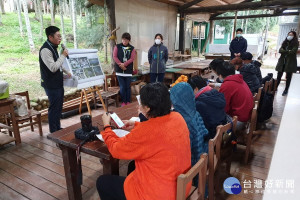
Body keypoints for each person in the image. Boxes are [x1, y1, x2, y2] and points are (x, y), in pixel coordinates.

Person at [97, 82, 191, 200]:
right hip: (181, 185)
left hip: (161, 194)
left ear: (148, 108)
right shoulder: (178, 117)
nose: (139, 107)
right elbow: (159, 132)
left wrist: (106, 127)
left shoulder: (146, 131)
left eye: (141, 104)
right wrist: (137, 124)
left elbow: (116, 150)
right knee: (132, 166)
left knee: (103, 182)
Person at [170, 82, 208, 186]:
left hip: (189, 170)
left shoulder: (181, 121)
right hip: (199, 159)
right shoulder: (194, 112)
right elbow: (205, 133)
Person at [39, 26, 70, 133]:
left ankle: (57, 127)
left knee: (58, 107)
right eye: (58, 36)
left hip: (57, 83)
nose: (60, 38)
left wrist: (67, 72)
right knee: (54, 107)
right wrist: (63, 55)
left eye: (60, 36)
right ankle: (54, 131)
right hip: (51, 85)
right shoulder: (45, 50)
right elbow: (53, 68)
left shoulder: (53, 46)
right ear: (50, 37)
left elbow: (58, 63)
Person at [215, 61, 253, 130]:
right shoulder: (239, 79)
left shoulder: (227, 85)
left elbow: (223, 108)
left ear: (220, 75)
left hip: (238, 120)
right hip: (245, 116)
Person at [113, 32, 136, 106]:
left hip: (128, 70)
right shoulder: (117, 46)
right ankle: (123, 101)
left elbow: (132, 58)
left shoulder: (132, 48)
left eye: (126, 40)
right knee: (122, 87)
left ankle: (128, 101)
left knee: (127, 87)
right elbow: (115, 56)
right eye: (123, 40)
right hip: (119, 71)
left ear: (129, 40)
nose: (124, 41)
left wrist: (124, 64)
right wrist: (121, 64)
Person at [276, 31, 299, 96]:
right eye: (289, 34)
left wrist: (285, 51)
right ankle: (275, 88)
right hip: (282, 62)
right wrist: (288, 51)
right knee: (279, 76)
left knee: (288, 77)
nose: (289, 36)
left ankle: (286, 90)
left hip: (290, 62)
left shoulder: (296, 43)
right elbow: (280, 50)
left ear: (294, 36)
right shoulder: (285, 42)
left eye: (291, 35)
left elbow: (293, 51)